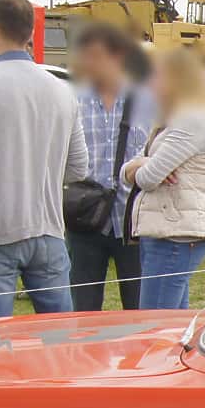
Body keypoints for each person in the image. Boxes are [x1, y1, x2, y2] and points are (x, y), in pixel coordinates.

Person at [0, 0, 88, 323]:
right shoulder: (62, 90)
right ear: (29, 33)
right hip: (48, 229)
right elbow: (78, 167)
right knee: (55, 342)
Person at [122, 48, 205, 310]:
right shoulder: (170, 121)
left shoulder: (193, 121)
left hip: (176, 235)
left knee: (154, 326)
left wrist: (143, 168)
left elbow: (146, 179)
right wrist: (145, 163)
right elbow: (128, 171)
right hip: (164, 231)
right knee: (172, 327)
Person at [68, 21, 151, 312]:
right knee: (83, 311)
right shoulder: (73, 99)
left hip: (133, 220)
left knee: (140, 311)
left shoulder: (147, 100)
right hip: (85, 218)